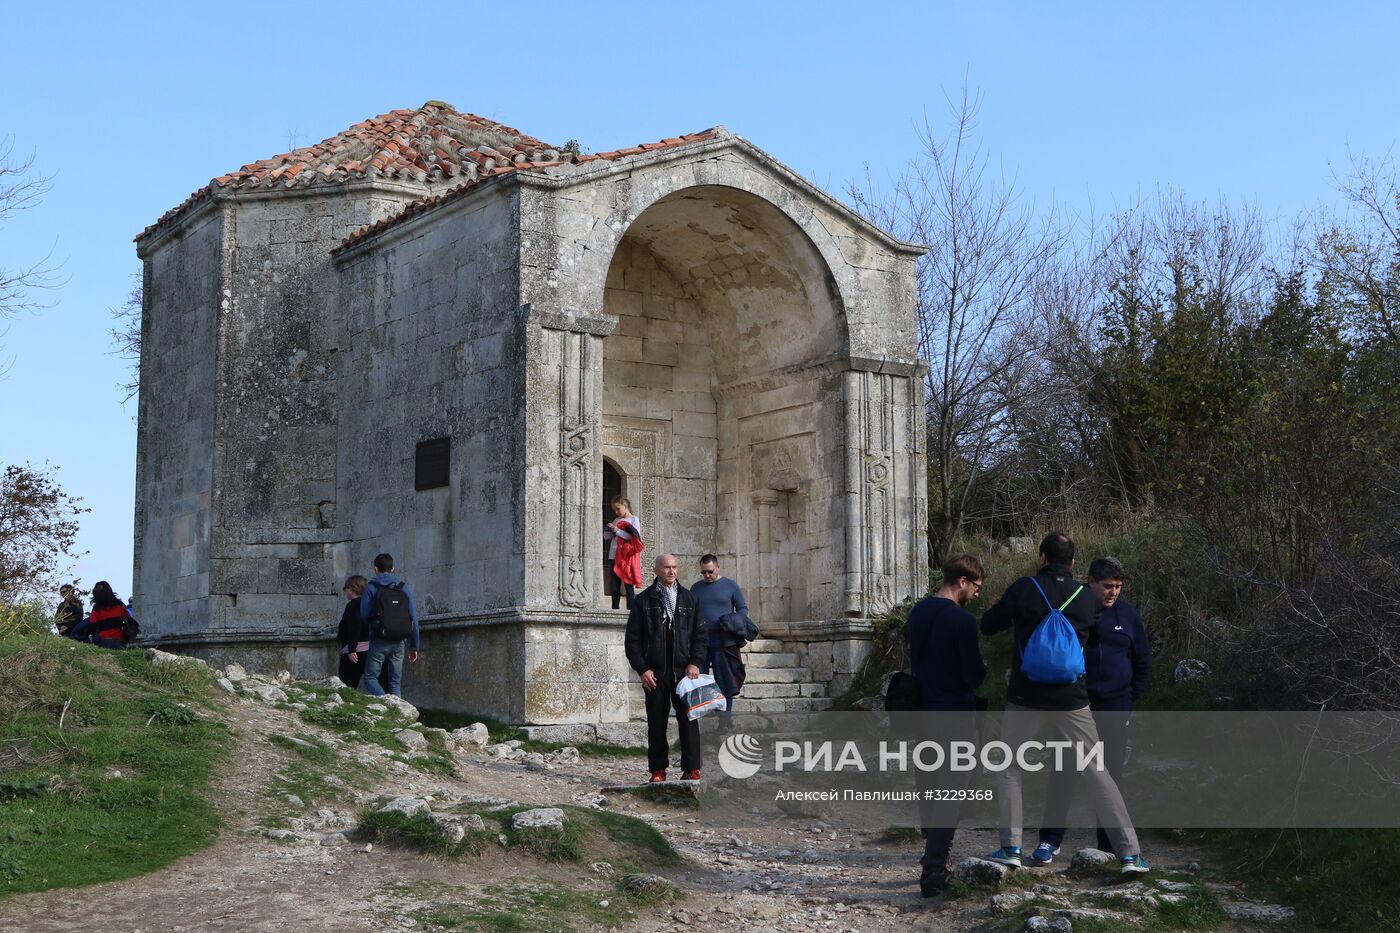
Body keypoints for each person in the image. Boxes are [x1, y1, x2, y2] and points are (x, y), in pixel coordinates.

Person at [979, 533, 1150, 876]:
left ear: (1042, 558)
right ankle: (1130, 854)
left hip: (1026, 696)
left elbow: (988, 625)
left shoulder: (1024, 588)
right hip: (1073, 699)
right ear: (1073, 563)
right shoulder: (1087, 598)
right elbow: (1097, 639)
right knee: (1098, 771)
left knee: (1010, 769)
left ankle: (1011, 847)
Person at [1030, 556, 1152, 864]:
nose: (1113, 593)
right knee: (1063, 772)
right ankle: (1050, 840)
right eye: (1107, 586)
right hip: (1073, 704)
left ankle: (1108, 844)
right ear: (1092, 582)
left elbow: (1142, 659)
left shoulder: (1128, 614)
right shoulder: (1074, 606)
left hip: (1115, 705)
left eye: (1118, 587)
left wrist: (1130, 696)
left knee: (1110, 776)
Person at [906, 553, 988, 895]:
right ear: (962, 582)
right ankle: (934, 866)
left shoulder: (917, 612)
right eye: (977, 588)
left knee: (929, 781)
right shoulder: (962, 622)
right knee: (952, 788)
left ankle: (933, 848)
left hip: (921, 709)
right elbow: (974, 675)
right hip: (954, 712)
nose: (978, 595)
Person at [625, 553, 706, 782]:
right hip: (655, 673)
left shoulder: (690, 599)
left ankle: (692, 769)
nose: (671, 572)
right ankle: (658, 770)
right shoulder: (643, 601)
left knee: (689, 721)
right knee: (656, 723)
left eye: (674, 567)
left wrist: (695, 663)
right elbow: (632, 640)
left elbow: (701, 635)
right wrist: (642, 669)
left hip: (684, 672)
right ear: (657, 570)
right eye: (666, 568)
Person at [690, 554, 751, 727]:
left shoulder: (730, 586)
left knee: (724, 679)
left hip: (723, 641)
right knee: (698, 678)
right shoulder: (696, 588)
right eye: (703, 572)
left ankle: (725, 719)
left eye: (710, 571)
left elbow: (743, 609)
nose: (707, 575)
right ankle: (703, 714)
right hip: (701, 641)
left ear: (718, 567)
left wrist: (733, 622)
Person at [358, 554, 420, 697]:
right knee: (395, 683)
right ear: (393, 569)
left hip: (379, 638)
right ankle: (398, 713)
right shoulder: (403, 587)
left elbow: (364, 614)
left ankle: (386, 704)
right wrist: (414, 646)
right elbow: (413, 618)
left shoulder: (371, 587)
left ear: (375, 569)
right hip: (400, 640)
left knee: (370, 677)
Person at [606, 497, 642, 610]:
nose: (616, 512)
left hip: (626, 556)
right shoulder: (616, 520)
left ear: (625, 506)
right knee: (614, 584)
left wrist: (618, 531)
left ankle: (630, 609)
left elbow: (634, 537)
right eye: (614, 510)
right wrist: (609, 531)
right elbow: (607, 537)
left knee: (628, 583)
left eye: (618, 509)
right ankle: (614, 608)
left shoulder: (634, 520)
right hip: (613, 554)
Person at [336, 575, 370, 689]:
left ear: (351, 588)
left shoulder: (352, 605)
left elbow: (354, 627)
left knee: (346, 687)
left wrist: (352, 650)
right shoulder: (369, 604)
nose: (345, 591)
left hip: (353, 652)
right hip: (370, 650)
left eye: (345, 588)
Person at [86, 580, 136, 649]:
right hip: (120, 640)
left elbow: (92, 626)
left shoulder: (96, 608)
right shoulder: (120, 605)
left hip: (103, 641)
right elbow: (128, 618)